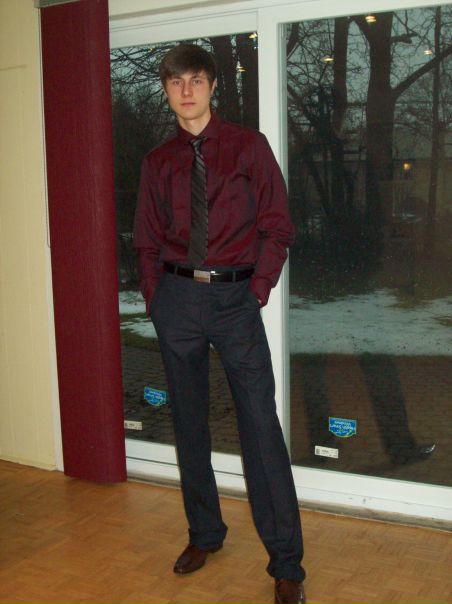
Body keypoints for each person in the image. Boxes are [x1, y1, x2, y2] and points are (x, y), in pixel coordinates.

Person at [133, 43, 306, 604]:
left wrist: (256, 291)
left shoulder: (248, 147)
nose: (186, 91)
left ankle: (286, 563)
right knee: (189, 423)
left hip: (235, 301)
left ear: (212, 86)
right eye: (175, 82)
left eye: (195, 80)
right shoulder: (158, 161)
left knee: (260, 426)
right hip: (178, 301)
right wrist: (157, 298)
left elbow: (278, 226)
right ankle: (204, 533)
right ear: (167, 90)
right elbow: (146, 239)